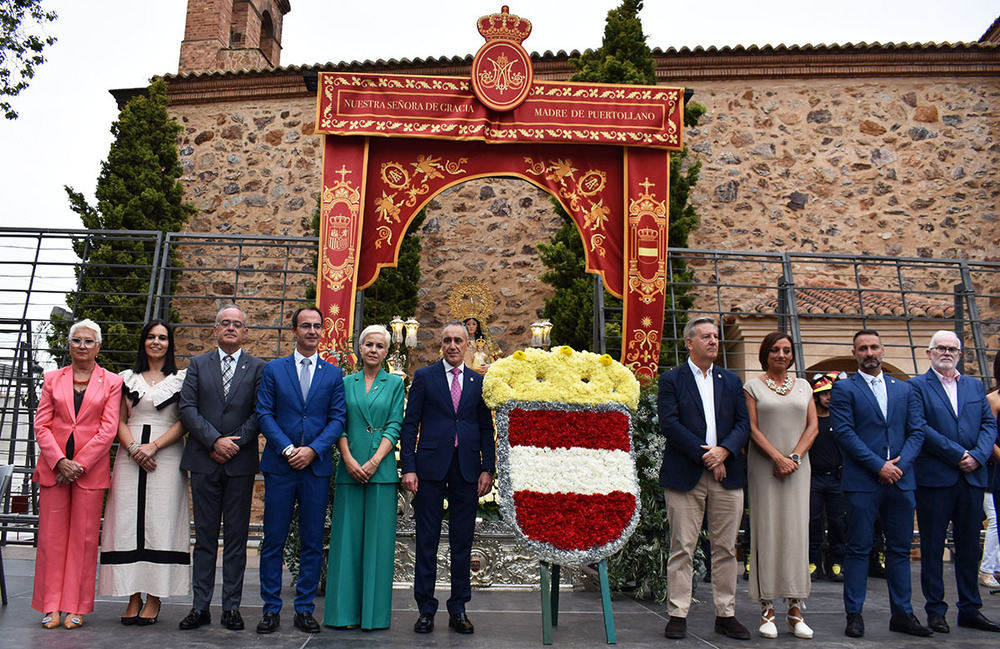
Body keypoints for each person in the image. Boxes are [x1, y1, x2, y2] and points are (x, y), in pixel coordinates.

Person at [830, 329, 931, 638]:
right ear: (855, 353)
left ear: (883, 350)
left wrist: (900, 466)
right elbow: (845, 434)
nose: (869, 352)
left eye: (874, 347)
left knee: (900, 550)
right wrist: (879, 466)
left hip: (901, 481)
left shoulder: (904, 390)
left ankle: (903, 613)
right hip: (863, 481)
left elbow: (917, 430)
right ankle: (854, 614)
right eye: (863, 348)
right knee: (859, 548)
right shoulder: (844, 389)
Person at [658, 316, 751, 641]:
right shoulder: (672, 379)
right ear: (689, 342)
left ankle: (726, 613)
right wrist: (706, 456)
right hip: (686, 474)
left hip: (727, 475)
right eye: (707, 336)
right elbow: (669, 424)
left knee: (726, 549)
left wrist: (723, 452)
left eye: (716, 336)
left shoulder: (731, 381)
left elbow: (743, 424)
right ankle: (678, 613)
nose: (714, 341)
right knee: (683, 546)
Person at [255, 306, 346, 635]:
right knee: (273, 540)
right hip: (281, 466)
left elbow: (337, 419)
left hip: (315, 468)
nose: (312, 331)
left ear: (323, 331)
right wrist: (289, 448)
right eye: (305, 326)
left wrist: (314, 450)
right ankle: (270, 609)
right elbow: (264, 413)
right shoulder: (274, 370)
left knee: (311, 541)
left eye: (317, 326)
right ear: (293, 331)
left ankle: (305, 609)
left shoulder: (333, 375)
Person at [401, 321, 495, 635]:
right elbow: (410, 424)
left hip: (467, 469)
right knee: (426, 540)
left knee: (462, 542)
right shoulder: (425, 378)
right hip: (429, 468)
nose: (453, 345)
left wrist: (487, 468)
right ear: (441, 345)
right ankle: (425, 609)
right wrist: (409, 467)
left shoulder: (478, 381)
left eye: (458, 340)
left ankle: (459, 609)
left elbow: (485, 428)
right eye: (448, 340)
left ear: (467, 344)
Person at [177, 305, 265, 631]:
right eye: (224, 323)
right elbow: (187, 408)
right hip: (204, 460)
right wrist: (215, 441)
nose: (230, 328)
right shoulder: (199, 364)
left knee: (237, 538)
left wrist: (234, 443)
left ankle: (232, 607)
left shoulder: (257, 368)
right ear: (215, 330)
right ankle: (200, 607)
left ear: (245, 332)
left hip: (239, 464)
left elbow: (260, 412)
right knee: (203, 538)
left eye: (237, 324)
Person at [32, 319, 123, 630]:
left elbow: (108, 429)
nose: (82, 346)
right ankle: (51, 606)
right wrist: (59, 461)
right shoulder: (52, 379)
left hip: (89, 472)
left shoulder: (111, 382)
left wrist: (78, 464)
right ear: (69, 345)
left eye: (88, 341)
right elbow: (41, 425)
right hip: (53, 470)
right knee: (51, 539)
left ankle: (75, 606)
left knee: (84, 541)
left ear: (98, 347)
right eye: (76, 341)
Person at [98, 320, 189, 626]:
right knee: (128, 521)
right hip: (129, 453)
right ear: (143, 342)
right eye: (151, 337)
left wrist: (154, 447)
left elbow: (184, 420)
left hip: (167, 453)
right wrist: (136, 448)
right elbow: (118, 419)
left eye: (162, 337)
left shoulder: (181, 379)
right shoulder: (126, 378)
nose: (156, 342)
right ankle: (132, 594)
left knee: (160, 522)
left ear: (169, 343)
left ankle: (154, 596)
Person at [909, 331, 1000, 633]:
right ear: (929, 352)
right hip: (936, 479)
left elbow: (989, 424)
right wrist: (957, 454)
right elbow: (919, 426)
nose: (947, 353)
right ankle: (936, 610)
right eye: (941, 348)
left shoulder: (975, 386)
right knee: (933, 548)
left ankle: (970, 609)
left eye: (952, 349)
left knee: (969, 546)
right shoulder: (917, 387)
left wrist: (977, 454)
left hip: (972, 477)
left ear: (960, 354)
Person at [324, 324, 405, 630]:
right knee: (345, 543)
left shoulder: (395, 385)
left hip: (380, 472)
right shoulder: (345, 383)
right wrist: (348, 459)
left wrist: (373, 461)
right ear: (359, 348)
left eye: (379, 346)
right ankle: (342, 614)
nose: (373, 350)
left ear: (386, 352)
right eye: (368, 344)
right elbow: (338, 423)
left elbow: (394, 425)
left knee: (378, 545)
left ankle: (373, 616)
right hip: (349, 469)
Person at [744, 332, 818, 638]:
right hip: (765, 467)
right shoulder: (752, 386)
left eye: (787, 350)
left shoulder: (804, 386)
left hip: (798, 468)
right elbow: (751, 427)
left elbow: (813, 426)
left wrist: (794, 457)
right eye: (775, 349)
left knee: (797, 532)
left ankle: (796, 608)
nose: (782, 354)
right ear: (766, 353)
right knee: (767, 531)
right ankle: (767, 609)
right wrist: (777, 457)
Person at [808, 371, 847, 583]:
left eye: (831, 393)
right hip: (813, 478)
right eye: (824, 394)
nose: (828, 398)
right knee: (812, 522)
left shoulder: (840, 419)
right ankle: (812, 563)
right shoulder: (810, 420)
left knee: (838, 523)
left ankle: (836, 563)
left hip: (836, 478)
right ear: (816, 396)